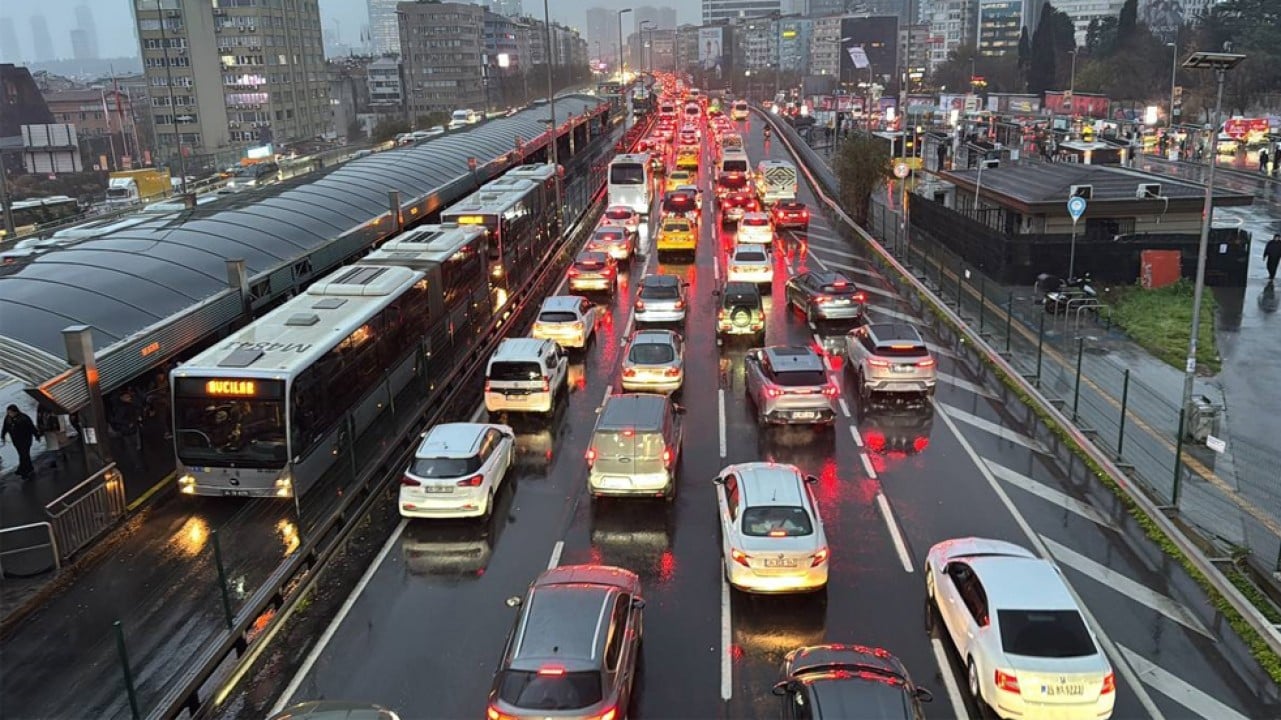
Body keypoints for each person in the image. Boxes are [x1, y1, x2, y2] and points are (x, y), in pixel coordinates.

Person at [2, 404, 37, 479]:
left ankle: (23, 471)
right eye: (8, 412)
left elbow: (31, 427)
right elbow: (5, 428)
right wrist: (3, 436)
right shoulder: (8, 419)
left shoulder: (23, 418)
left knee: (24, 455)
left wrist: (36, 435)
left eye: (10, 412)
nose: (9, 414)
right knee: (23, 455)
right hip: (16, 441)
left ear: (15, 411)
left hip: (26, 439)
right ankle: (29, 468)